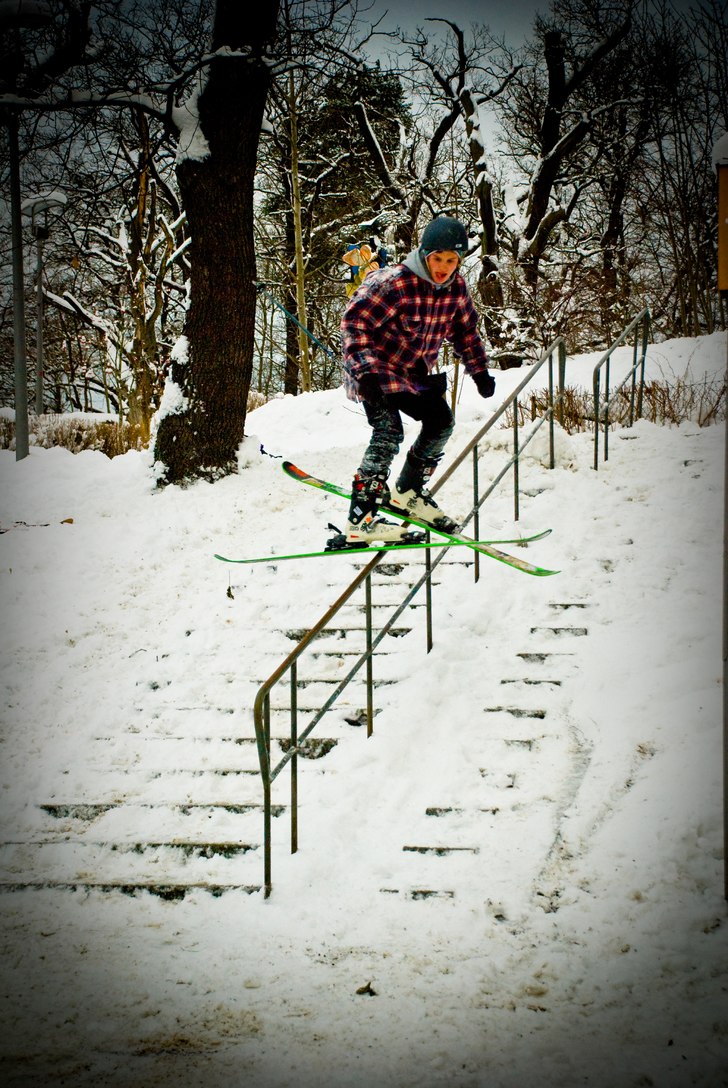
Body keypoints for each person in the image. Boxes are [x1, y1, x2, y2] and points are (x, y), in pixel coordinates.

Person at [340, 215, 496, 543]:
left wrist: (479, 370)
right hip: (374, 369)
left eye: (451, 260)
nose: (442, 267)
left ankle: (408, 492)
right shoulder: (393, 283)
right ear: (424, 255)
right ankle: (361, 520)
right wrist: (364, 371)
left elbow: (466, 331)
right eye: (437, 259)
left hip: (411, 374)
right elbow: (354, 324)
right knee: (388, 431)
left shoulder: (456, 290)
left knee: (441, 421)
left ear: (459, 261)